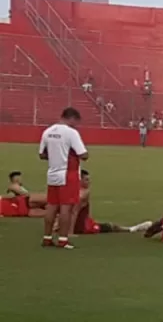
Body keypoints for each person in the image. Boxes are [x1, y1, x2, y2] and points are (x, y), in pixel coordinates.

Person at [39, 107, 88, 249]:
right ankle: (63, 239)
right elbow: (83, 154)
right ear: (71, 118)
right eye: (75, 121)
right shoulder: (71, 133)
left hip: (52, 172)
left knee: (52, 206)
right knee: (66, 207)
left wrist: (55, 156)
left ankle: (47, 238)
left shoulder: (48, 131)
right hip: (68, 173)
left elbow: (42, 154)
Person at [73, 170, 153, 234]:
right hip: (83, 227)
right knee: (110, 226)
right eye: (86, 180)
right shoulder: (84, 192)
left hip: (79, 223)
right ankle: (131, 229)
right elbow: (74, 212)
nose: (89, 182)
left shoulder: (71, 191)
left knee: (103, 224)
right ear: (80, 180)